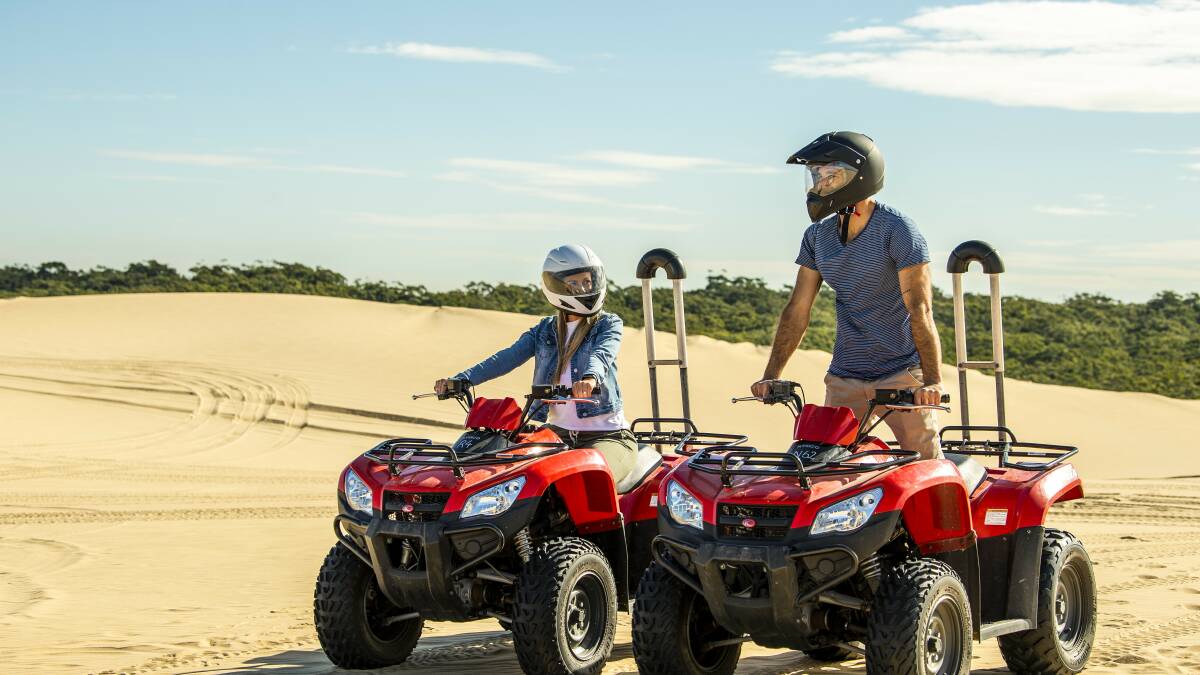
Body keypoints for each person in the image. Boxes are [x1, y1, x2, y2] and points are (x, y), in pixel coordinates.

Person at [752, 131, 945, 459]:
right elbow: (797, 309)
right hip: (845, 376)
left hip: (902, 375)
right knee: (823, 469)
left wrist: (932, 381)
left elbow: (920, 309)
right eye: (816, 175)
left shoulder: (897, 230)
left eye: (831, 175)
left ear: (860, 177)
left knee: (927, 469)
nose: (820, 183)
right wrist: (771, 374)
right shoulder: (817, 236)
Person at [435, 244, 638, 480]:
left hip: (607, 436)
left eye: (587, 281)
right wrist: (463, 379)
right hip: (555, 435)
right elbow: (506, 357)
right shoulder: (544, 330)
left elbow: (603, 353)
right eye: (575, 283)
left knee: (589, 479)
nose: (584, 288)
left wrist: (590, 379)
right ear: (558, 286)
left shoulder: (608, 324)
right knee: (507, 475)